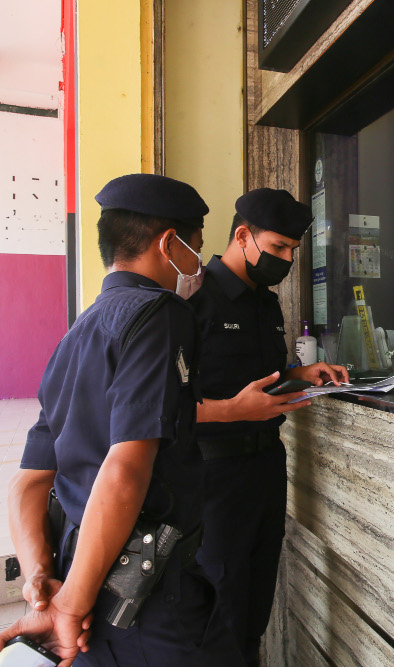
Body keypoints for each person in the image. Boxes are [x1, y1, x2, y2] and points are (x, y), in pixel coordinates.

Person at [3, 174, 243, 665]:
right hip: (147, 593)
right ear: (169, 243)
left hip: (82, 579)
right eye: (196, 247)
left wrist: (40, 582)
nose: (198, 263)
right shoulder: (159, 314)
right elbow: (126, 467)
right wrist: (68, 605)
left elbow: (29, 482)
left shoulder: (77, 333)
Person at [190, 188, 348, 666]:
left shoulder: (265, 302)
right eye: (278, 248)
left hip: (265, 466)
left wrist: (298, 375)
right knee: (219, 607)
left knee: (257, 599)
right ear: (243, 235)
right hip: (213, 477)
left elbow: (262, 376)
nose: (286, 260)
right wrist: (233, 411)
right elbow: (161, 404)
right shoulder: (196, 297)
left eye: (293, 252)